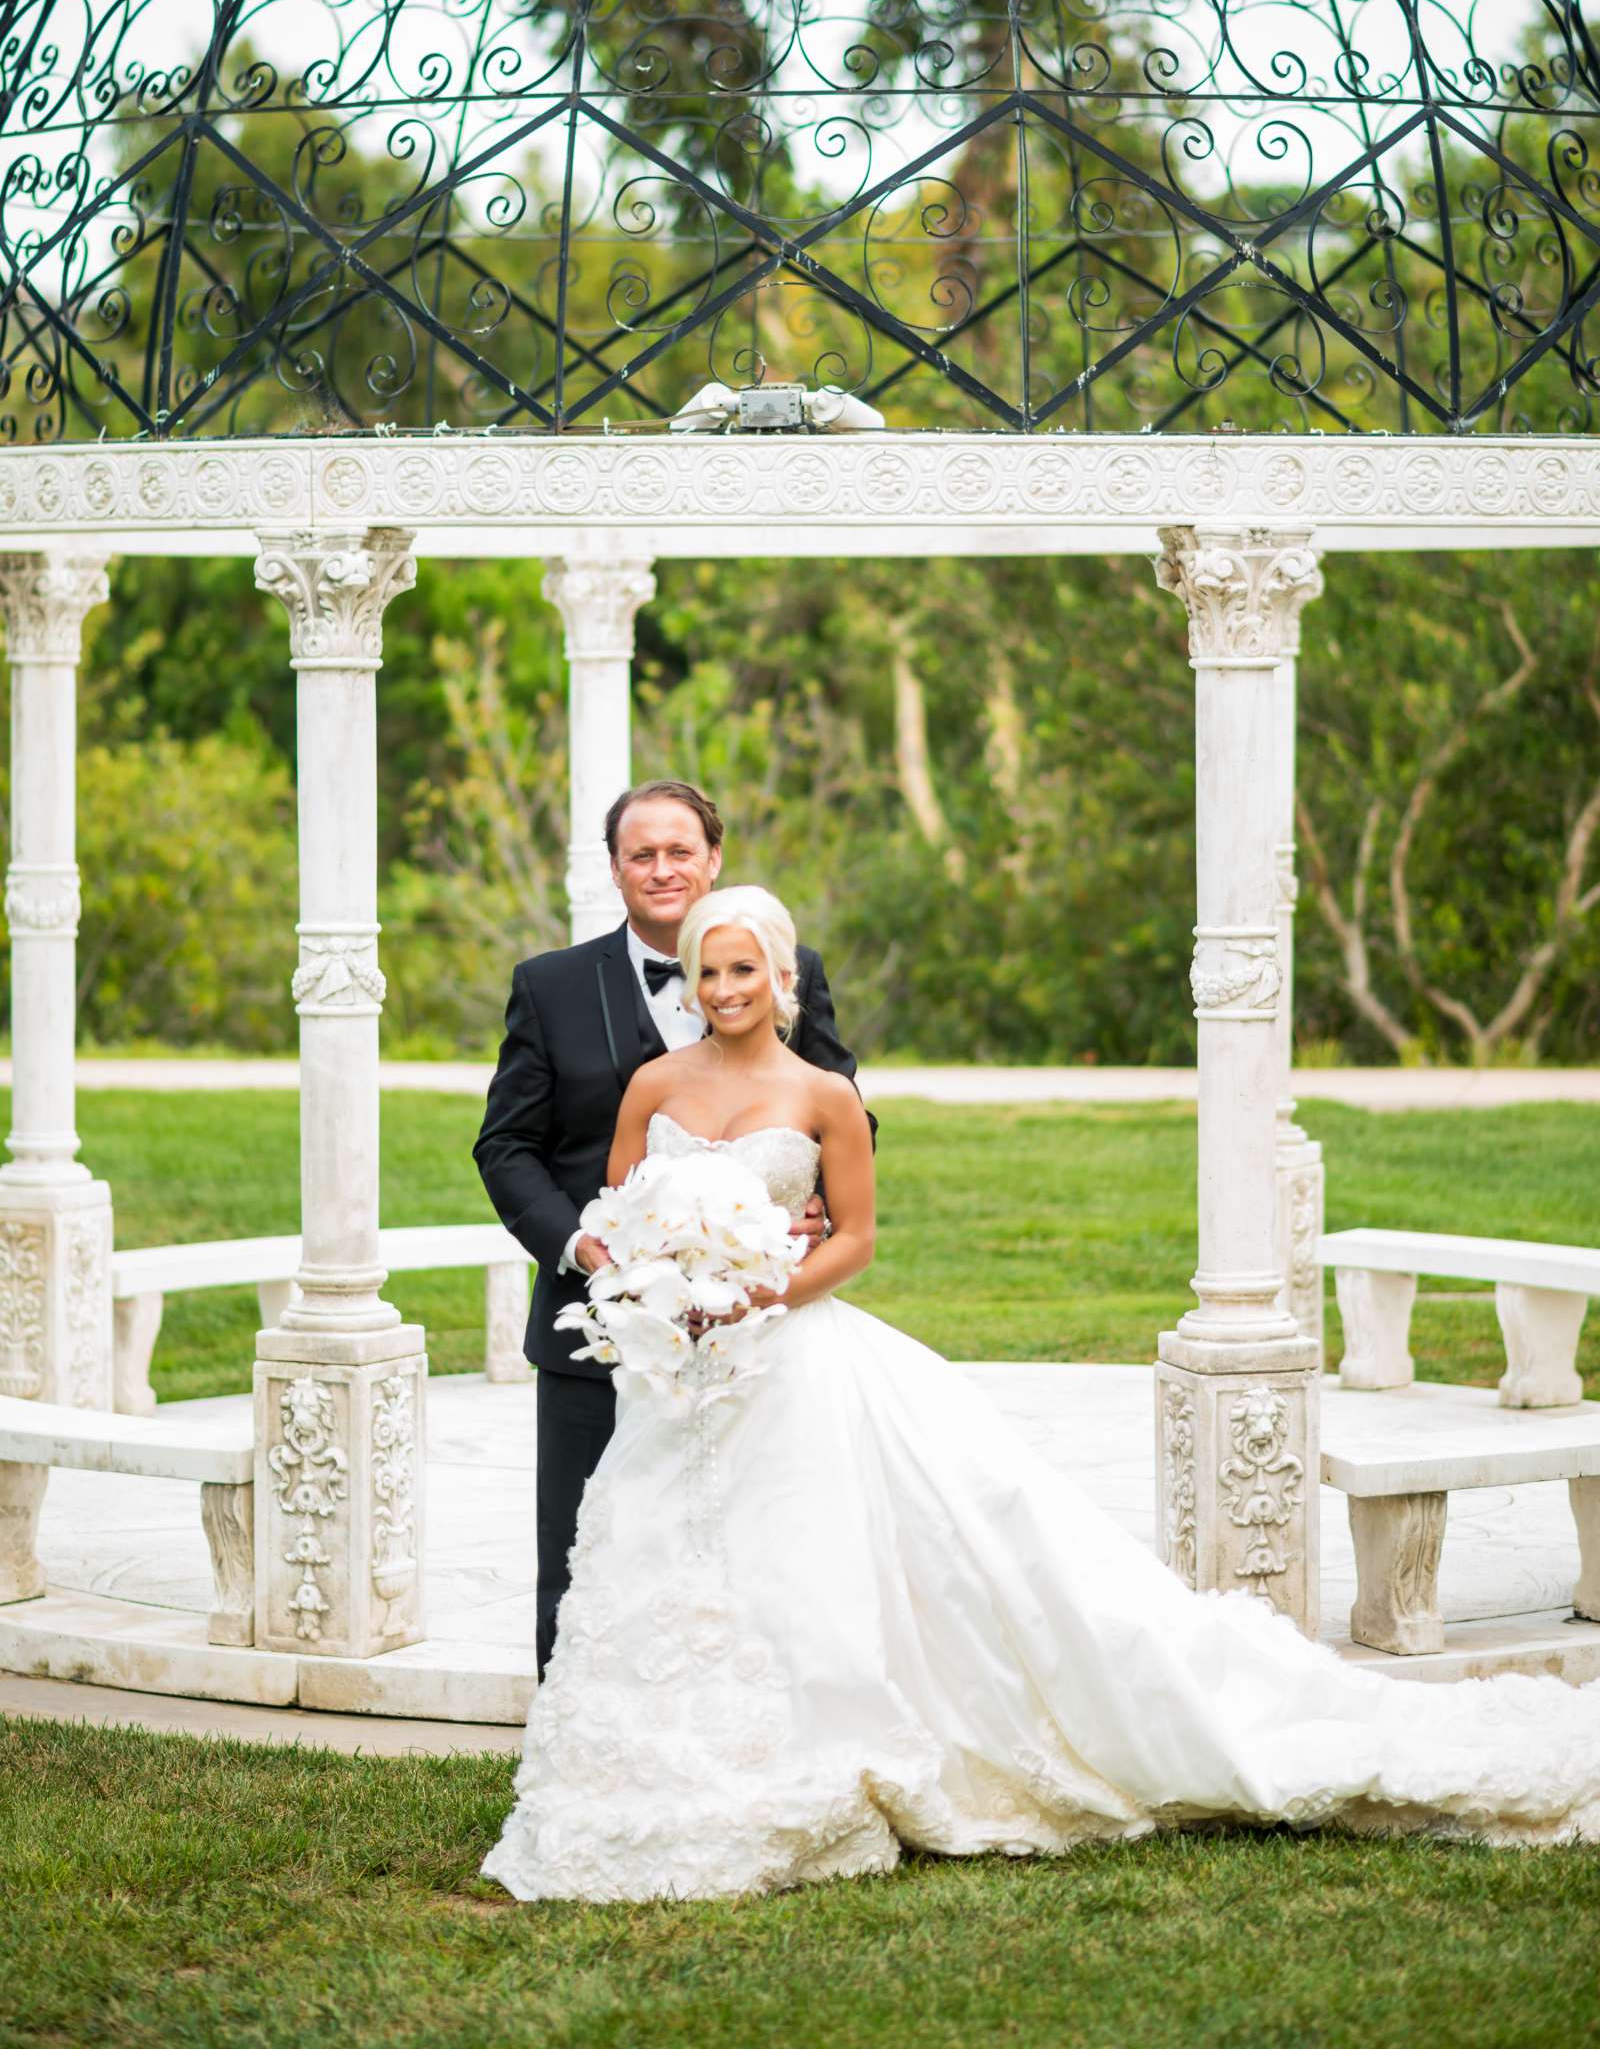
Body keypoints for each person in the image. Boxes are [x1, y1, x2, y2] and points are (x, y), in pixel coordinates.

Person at [484, 886, 1600, 1905]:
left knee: (804, 1555)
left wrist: (758, 1290)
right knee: (662, 1560)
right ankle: (665, 1762)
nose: (723, 991)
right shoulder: (653, 1085)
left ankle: (822, 1748)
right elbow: (619, 1211)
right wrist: (653, 1283)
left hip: (789, 1362)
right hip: (677, 1385)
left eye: (743, 970)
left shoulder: (822, 1095)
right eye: (704, 974)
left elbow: (859, 1240)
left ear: (781, 977)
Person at [473, 782, 866, 1678]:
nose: (661, 870)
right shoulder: (550, 986)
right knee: (586, 1544)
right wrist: (585, 1248)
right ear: (614, 868)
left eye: (679, 851)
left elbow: (844, 1111)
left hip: (762, 1334)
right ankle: (572, 1728)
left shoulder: (785, 961)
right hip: (598, 1326)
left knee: (756, 1537)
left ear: (714, 857)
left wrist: (811, 1207)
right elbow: (506, 1147)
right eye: (640, 854)